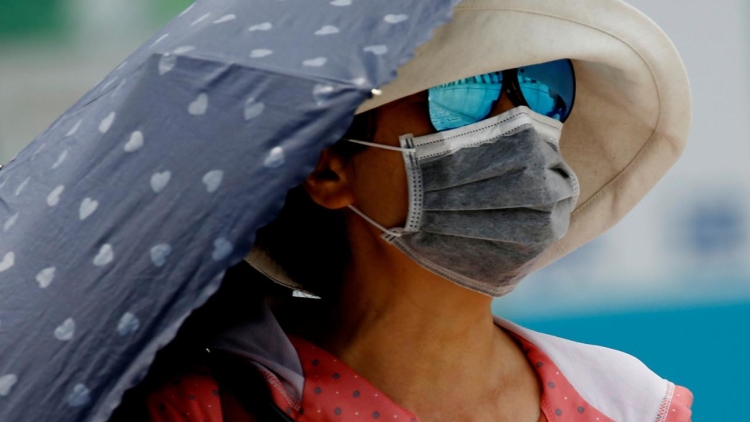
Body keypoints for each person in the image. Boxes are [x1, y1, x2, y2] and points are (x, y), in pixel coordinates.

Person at [111, 1, 693, 421]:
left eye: (542, 90)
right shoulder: (214, 406)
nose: (519, 128)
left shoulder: (629, 405)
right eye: (464, 95)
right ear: (329, 170)